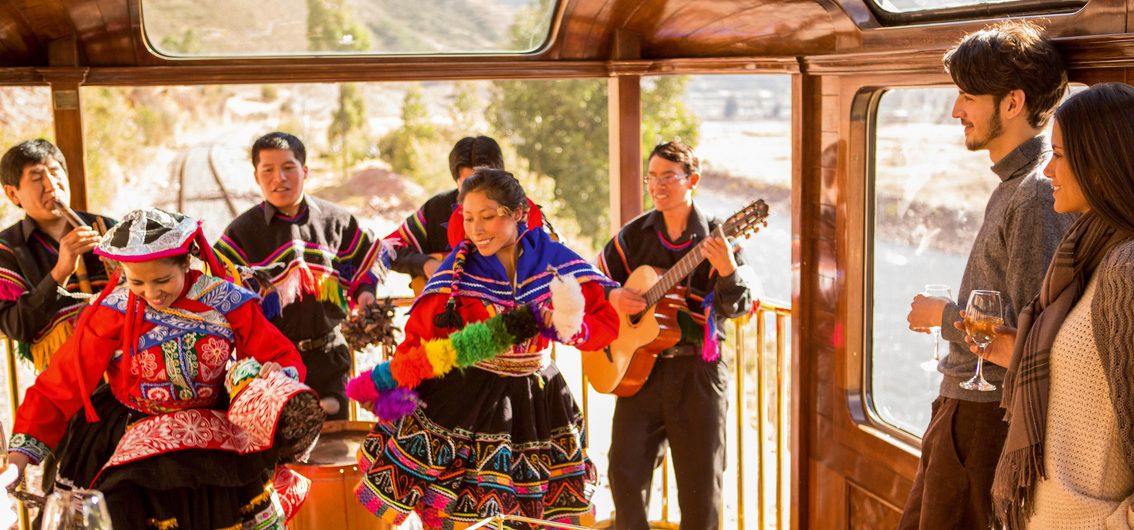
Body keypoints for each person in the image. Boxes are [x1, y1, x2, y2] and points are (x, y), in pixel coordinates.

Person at [6, 208, 323, 529]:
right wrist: (18, 462)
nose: (152, 292)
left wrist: (275, 372)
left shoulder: (224, 300)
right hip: (132, 436)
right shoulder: (112, 310)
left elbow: (278, 353)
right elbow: (63, 383)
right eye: (136, 282)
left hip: (212, 441)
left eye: (162, 279)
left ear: (186, 263)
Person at [352, 168, 619, 527]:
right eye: (468, 218)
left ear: (519, 213)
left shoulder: (555, 259)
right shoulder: (458, 272)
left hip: (539, 399)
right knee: (470, 518)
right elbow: (419, 339)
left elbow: (604, 322)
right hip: (469, 402)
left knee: (540, 518)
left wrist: (571, 328)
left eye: (488, 217)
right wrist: (393, 387)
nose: (476, 229)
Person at [898, 21, 1075, 529]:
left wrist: (944, 317)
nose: (957, 110)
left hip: (984, 421)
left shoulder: (1035, 197)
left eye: (968, 96)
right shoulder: (1013, 186)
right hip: (961, 411)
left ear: (1013, 102)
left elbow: (1026, 344)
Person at [950, 83, 1134, 529]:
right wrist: (1007, 346)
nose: (1048, 170)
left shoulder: (1125, 270)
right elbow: (1083, 378)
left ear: (1104, 161)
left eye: (1061, 155)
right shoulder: (1086, 250)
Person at [600, 141, 756, 530]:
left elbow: (741, 306)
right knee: (624, 475)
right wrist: (613, 294)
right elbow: (594, 279)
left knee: (701, 489)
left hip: (698, 375)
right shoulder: (634, 235)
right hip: (639, 375)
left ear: (693, 180)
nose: (657, 185)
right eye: (652, 177)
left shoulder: (721, 238)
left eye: (668, 177)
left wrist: (727, 273)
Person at [215, 132, 381, 420]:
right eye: (268, 170)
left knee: (333, 447)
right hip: (273, 365)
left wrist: (366, 294)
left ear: (304, 171)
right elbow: (218, 288)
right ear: (256, 176)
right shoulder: (241, 232)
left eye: (288, 168)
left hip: (329, 358)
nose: (279, 178)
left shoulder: (336, 221)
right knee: (280, 451)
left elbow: (368, 261)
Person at [0, 139, 114, 371]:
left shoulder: (105, 227)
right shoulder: (7, 249)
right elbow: (16, 326)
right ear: (13, 194)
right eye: (36, 178)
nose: (52, 185)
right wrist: (61, 271)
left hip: (124, 361)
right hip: (64, 374)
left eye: (55, 172)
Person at [385, 135, 505, 289]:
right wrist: (425, 264)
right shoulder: (436, 209)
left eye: (484, 181)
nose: (476, 191)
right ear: (457, 181)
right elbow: (388, 248)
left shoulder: (517, 208)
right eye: (468, 184)